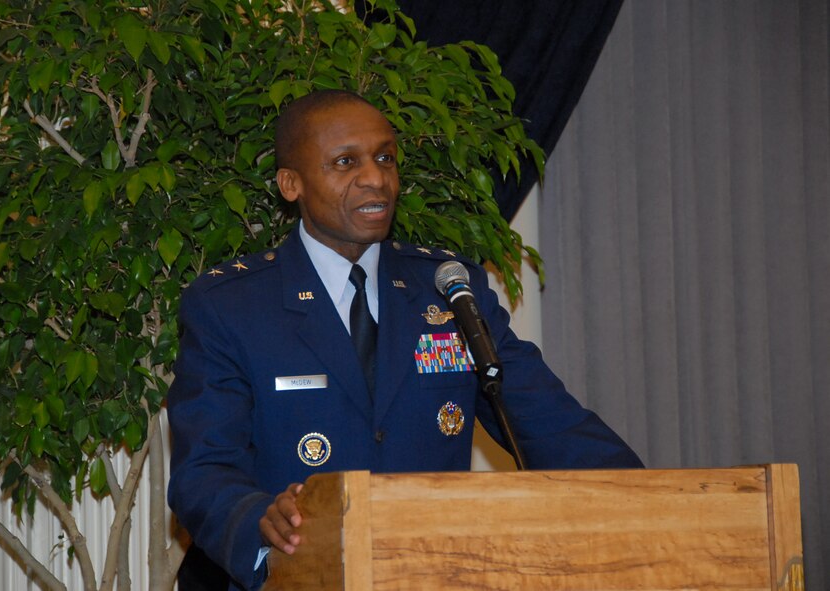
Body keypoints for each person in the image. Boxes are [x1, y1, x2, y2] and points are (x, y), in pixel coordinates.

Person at [167, 89, 643, 591]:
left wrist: (653, 500)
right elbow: (204, 470)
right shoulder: (232, 305)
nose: (375, 178)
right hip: (299, 575)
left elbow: (551, 425)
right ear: (292, 184)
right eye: (345, 161)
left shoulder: (448, 289)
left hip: (436, 572)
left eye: (385, 158)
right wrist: (260, 519)